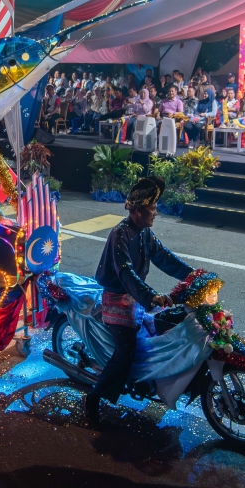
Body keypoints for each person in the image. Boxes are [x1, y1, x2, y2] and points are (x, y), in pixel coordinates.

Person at [83, 177, 193, 424]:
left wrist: (193, 275)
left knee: (162, 331)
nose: (156, 212)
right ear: (139, 211)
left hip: (135, 297)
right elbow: (125, 272)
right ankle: (93, 398)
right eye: (153, 208)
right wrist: (151, 295)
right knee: (126, 351)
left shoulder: (145, 233)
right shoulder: (119, 234)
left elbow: (165, 258)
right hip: (116, 298)